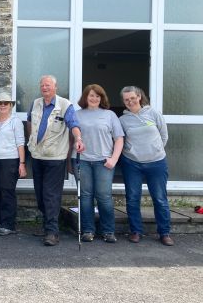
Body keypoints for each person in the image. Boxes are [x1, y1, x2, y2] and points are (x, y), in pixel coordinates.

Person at [27, 75, 84, 246]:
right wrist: (30, 140)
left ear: (55, 87)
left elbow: (74, 124)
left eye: (48, 85)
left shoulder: (65, 105)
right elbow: (30, 122)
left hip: (55, 158)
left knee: (51, 195)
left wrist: (79, 139)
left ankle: (52, 232)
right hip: (37, 156)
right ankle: (48, 225)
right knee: (40, 194)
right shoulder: (35, 103)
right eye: (42, 85)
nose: (45, 88)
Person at [119, 86, 173, 246]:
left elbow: (164, 135)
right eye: (126, 99)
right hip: (132, 163)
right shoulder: (122, 120)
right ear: (124, 102)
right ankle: (136, 231)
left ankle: (164, 233)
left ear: (139, 97)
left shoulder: (153, 113)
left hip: (156, 162)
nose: (130, 101)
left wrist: (154, 150)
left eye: (132, 98)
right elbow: (120, 140)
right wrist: (132, 152)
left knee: (160, 199)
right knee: (133, 198)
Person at [71, 84, 124, 244]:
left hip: (104, 161)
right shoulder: (76, 114)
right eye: (91, 95)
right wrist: (69, 159)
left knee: (104, 196)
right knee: (85, 196)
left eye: (97, 96)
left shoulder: (110, 115)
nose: (94, 98)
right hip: (82, 160)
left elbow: (119, 139)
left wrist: (113, 159)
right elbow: (71, 138)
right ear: (85, 97)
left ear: (102, 98)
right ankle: (88, 230)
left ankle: (108, 231)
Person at [0, 92, 26, 236]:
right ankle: (1, 221)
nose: (2, 105)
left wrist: (22, 163)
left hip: (9, 160)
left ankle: (9, 224)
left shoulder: (15, 122)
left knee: (7, 191)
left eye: (5, 103)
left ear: (11, 106)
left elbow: (20, 143)